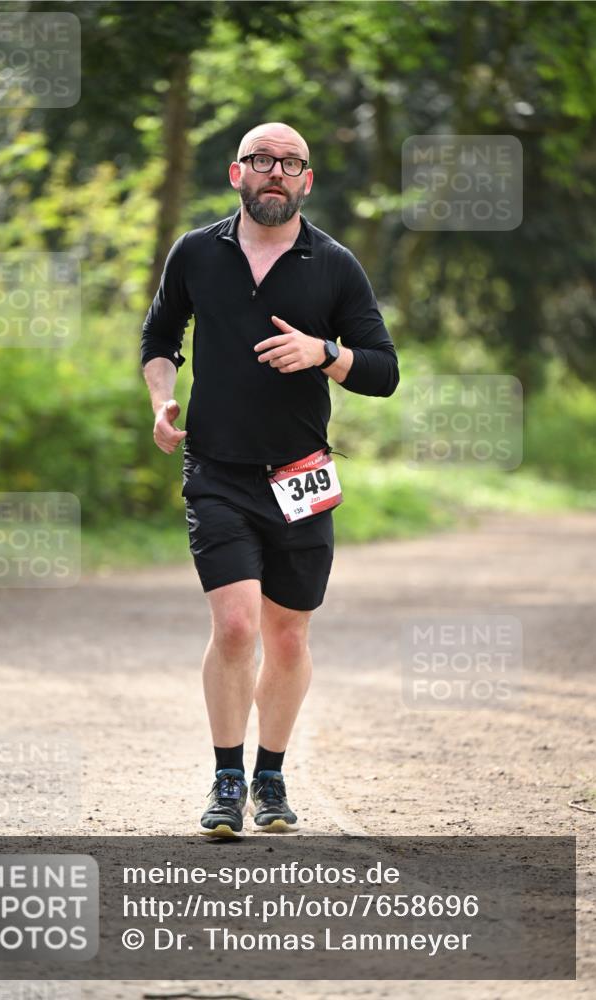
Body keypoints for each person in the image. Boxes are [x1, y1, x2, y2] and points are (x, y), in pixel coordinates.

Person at [141, 122, 399, 837]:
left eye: (290, 163)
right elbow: (160, 338)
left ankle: (271, 779)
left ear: (307, 180)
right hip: (216, 471)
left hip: (299, 477)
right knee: (234, 625)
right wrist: (161, 399)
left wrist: (324, 353)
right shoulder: (195, 253)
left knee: (286, 638)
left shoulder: (334, 265)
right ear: (236, 173)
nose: (275, 173)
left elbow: (382, 369)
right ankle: (226, 780)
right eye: (262, 161)